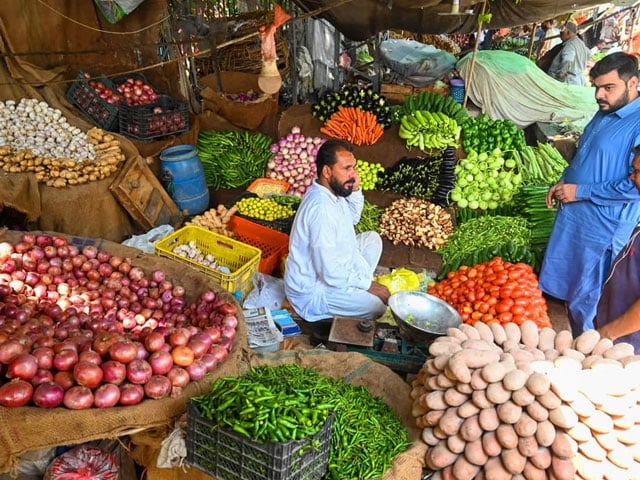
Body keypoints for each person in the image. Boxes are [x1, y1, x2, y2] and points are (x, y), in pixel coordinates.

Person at [539, 52, 640, 337]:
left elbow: (633, 186)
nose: (599, 94)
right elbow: (586, 155)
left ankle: (585, 351)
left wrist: (580, 191)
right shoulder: (604, 111)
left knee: (588, 294)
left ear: (632, 83)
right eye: (596, 87)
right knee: (568, 284)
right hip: (575, 217)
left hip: (602, 227)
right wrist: (563, 181)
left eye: (608, 87)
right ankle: (563, 332)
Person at [284, 139, 390, 328]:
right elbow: (329, 273)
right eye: (347, 169)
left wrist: (355, 189)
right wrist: (368, 285)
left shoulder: (331, 191)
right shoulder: (321, 210)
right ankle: (355, 288)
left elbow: (352, 219)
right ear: (327, 171)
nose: (353, 174)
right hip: (314, 291)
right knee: (377, 308)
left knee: (372, 239)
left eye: (354, 168)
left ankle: (354, 285)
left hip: (333, 265)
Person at [595, 148, 640, 352]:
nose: (631, 177)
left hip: (628, 345)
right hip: (616, 333)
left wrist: (607, 333)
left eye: (638, 171)